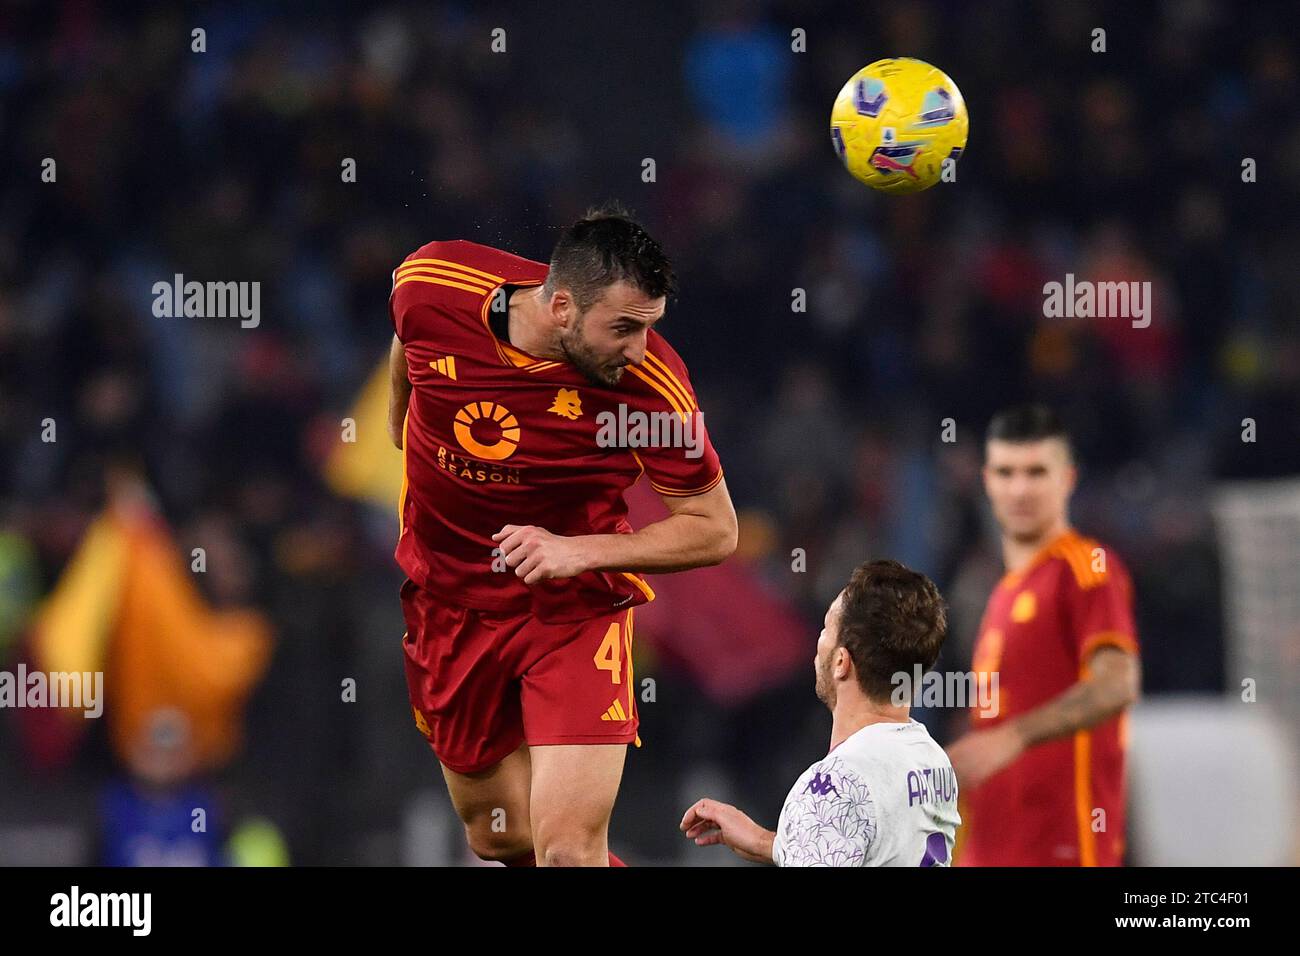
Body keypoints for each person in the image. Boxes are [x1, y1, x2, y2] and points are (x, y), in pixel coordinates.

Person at [387, 203, 738, 867]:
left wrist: (576, 552)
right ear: (561, 309)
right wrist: (396, 433)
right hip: (450, 602)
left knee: (568, 852)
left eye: (649, 328)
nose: (638, 348)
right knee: (498, 836)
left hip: (572, 612)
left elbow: (715, 530)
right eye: (623, 328)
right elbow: (408, 345)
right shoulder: (431, 282)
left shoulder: (652, 390)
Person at [947, 405, 1141, 866]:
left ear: (1068, 479)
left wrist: (1015, 736)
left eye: (1036, 472)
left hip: (1063, 850)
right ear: (988, 481)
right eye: (1006, 472)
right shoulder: (1001, 594)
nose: (1020, 488)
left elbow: (1116, 683)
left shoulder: (1087, 567)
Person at [680, 559, 960, 866]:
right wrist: (767, 842)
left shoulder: (835, 785)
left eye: (827, 628)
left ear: (841, 662)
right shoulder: (932, 760)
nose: (819, 641)